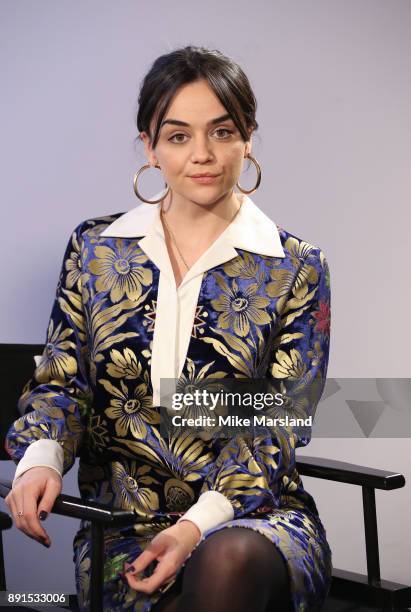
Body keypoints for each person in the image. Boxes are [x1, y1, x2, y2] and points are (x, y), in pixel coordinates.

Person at [4, 45, 332, 612]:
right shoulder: (96, 250)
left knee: (225, 562)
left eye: (222, 131)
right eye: (178, 136)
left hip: (248, 518)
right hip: (124, 524)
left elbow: (275, 424)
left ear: (248, 137)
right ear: (150, 147)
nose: (202, 155)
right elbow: (62, 382)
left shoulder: (295, 267)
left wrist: (194, 528)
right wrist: (40, 460)